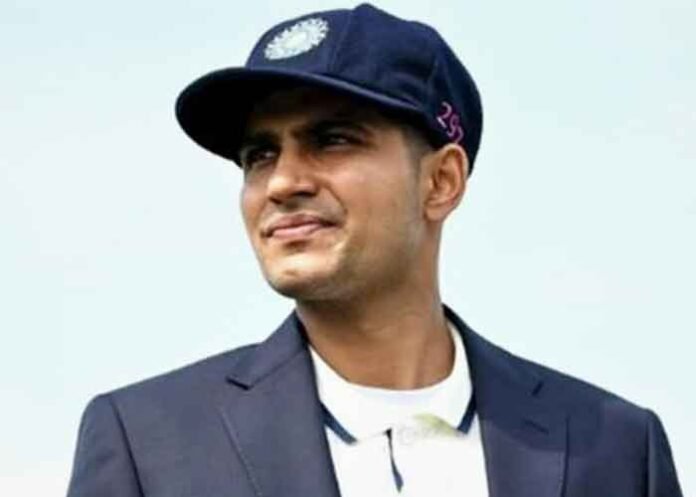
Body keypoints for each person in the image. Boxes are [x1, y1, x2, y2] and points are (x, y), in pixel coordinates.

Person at [66, 4, 682, 497]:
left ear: (440, 182)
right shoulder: (147, 443)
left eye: (333, 140)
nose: (282, 182)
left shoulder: (616, 447)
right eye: (260, 155)